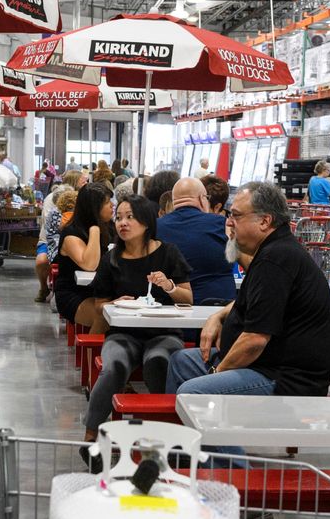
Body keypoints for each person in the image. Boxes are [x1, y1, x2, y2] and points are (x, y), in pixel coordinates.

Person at [167, 182, 330, 403]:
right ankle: (180, 431)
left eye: (236, 216)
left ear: (265, 221)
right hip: (263, 366)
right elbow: (257, 304)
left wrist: (217, 373)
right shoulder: (272, 252)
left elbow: (254, 341)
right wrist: (218, 316)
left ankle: (203, 437)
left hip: (285, 379)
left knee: (193, 392)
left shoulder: (276, 260)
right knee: (181, 361)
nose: (228, 223)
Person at [83, 195, 191, 468]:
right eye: (118, 217)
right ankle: (90, 438)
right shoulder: (112, 258)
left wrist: (168, 286)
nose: (122, 223)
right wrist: (115, 304)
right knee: (113, 366)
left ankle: (162, 439)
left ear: (146, 221)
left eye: (129, 217)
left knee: (159, 361)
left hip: (164, 332)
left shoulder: (168, 252)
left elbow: (188, 298)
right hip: (123, 333)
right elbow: (99, 307)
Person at [157, 177, 236, 304]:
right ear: (201, 198)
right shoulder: (223, 224)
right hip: (219, 307)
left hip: (169, 310)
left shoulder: (154, 227)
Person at [54, 182, 114, 331]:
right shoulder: (71, 234)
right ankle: (93, 355)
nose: (112, 206)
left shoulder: (111, 226)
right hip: (75, 293)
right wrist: (94, 229)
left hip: (101, 290)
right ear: (94, 208)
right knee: (104, 316)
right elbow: (90, 265)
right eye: (107, 202)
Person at [35, 169, 82, 302]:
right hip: (49, 241)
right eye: (83, 181)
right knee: (42, 261)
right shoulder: (52, 200)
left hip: (71, 241)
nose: (85, 183)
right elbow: (51, 229)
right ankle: (44, 287)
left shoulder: (81, 199)